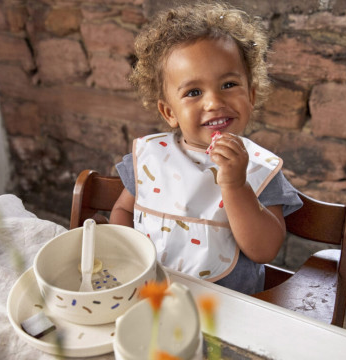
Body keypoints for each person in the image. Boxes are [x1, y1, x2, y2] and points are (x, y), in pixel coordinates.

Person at [109, 1, 302, 294]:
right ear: (169, 112)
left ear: (250, 95)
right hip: (151, 295)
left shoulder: (259, 167)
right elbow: (124, 209)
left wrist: (236, 185)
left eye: (228, 85)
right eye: (194, 92)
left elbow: (264, 250)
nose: (213, 102)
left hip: (227, 312)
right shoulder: (152, 156)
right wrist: (128, 258)